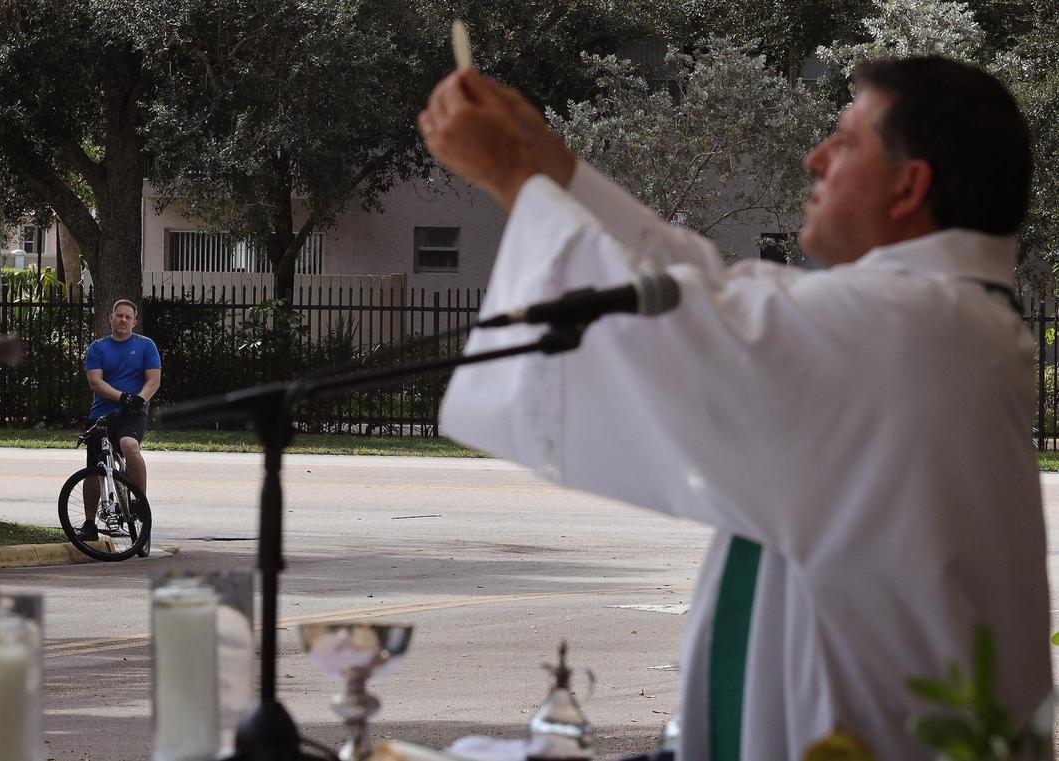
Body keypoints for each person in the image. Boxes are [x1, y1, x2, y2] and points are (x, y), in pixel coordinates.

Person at [419, 57, 1051, 759]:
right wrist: (549, 171)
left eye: (844, 142)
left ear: (911, 184)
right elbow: (699, 288)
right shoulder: (944, 317)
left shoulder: (916, 326)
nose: (815, 158)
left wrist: (515, 173)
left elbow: (696, 322)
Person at [79, 299, 161, 554]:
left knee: (128, 444)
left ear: (134, 322)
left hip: (132, 413)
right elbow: (95, 382)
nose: (123, 320)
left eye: (128, 317)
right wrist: (121, 396)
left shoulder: (146, 346)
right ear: (110, 319)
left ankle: (139, 503)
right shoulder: (98, 348)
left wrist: (138, 399)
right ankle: (90, 523)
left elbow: (153, 380)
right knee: (94, 469)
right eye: (119, 316)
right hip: (102, 414)